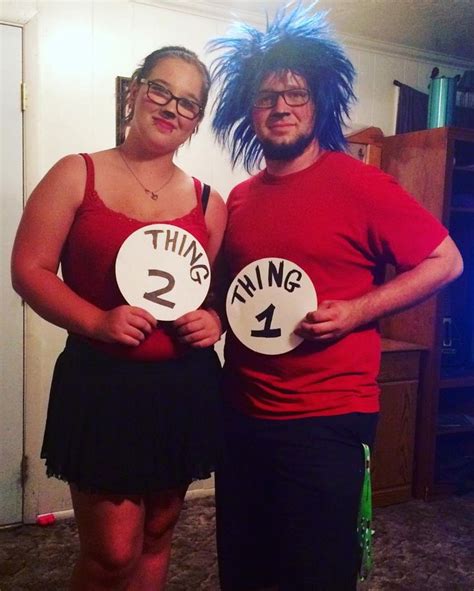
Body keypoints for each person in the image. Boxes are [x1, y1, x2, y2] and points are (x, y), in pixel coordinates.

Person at [208, 6, 463, 591]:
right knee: (245, 567)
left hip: (326, 420)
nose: (281, 106)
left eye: (296, 95)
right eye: (268, 96)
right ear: (249, 109)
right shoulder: (240, 198)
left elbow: (446, 260)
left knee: (316, 571)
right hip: (243, 414)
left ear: (318, 104)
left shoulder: (361, 184)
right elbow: (232, 296)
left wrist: (357, 310)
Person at [11, 46, 226, 590]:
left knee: (158, 533)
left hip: (185, 386)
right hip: (102, 386)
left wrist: (215, 321)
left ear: (196, 121)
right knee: (111, 552)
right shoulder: (75, 174)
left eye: (189, 103)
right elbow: (29, 269)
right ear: (134, 91)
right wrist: (96, 321)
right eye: (160, 89)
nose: (171, 107)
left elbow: (211, 292)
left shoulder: (208, 202)